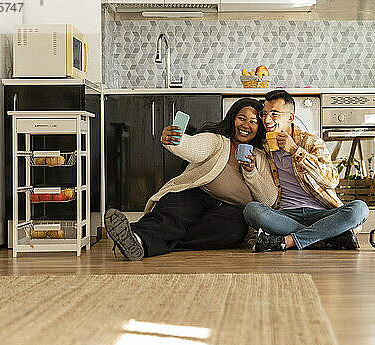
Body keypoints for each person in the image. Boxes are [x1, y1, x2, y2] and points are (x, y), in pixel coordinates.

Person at [104, 98, 277, 260]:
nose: (246, 125)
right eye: (241, 118)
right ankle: (139, 239)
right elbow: (195, 147)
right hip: (195, 194)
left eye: (253, 121)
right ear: (232, 119)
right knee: (174, 212)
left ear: (259, 127)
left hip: (230, 211)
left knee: (234, 230)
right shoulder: (218, 141)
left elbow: (268, 199)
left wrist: (251, 172)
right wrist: (176, 141)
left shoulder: (260, 157)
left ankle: (141, 238)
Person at [243, 90, 369, 252]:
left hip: (323, 213)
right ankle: (324, 237)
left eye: (274, 114)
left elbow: (332, 180)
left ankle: (289, 241)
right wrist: (251, 169)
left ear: (290, 118)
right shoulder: (264, 148)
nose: (267, 120)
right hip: (286, 215)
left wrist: (296, 151)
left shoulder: (311, 142)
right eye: (264, 114)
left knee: (360, 209)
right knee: (251, 211)